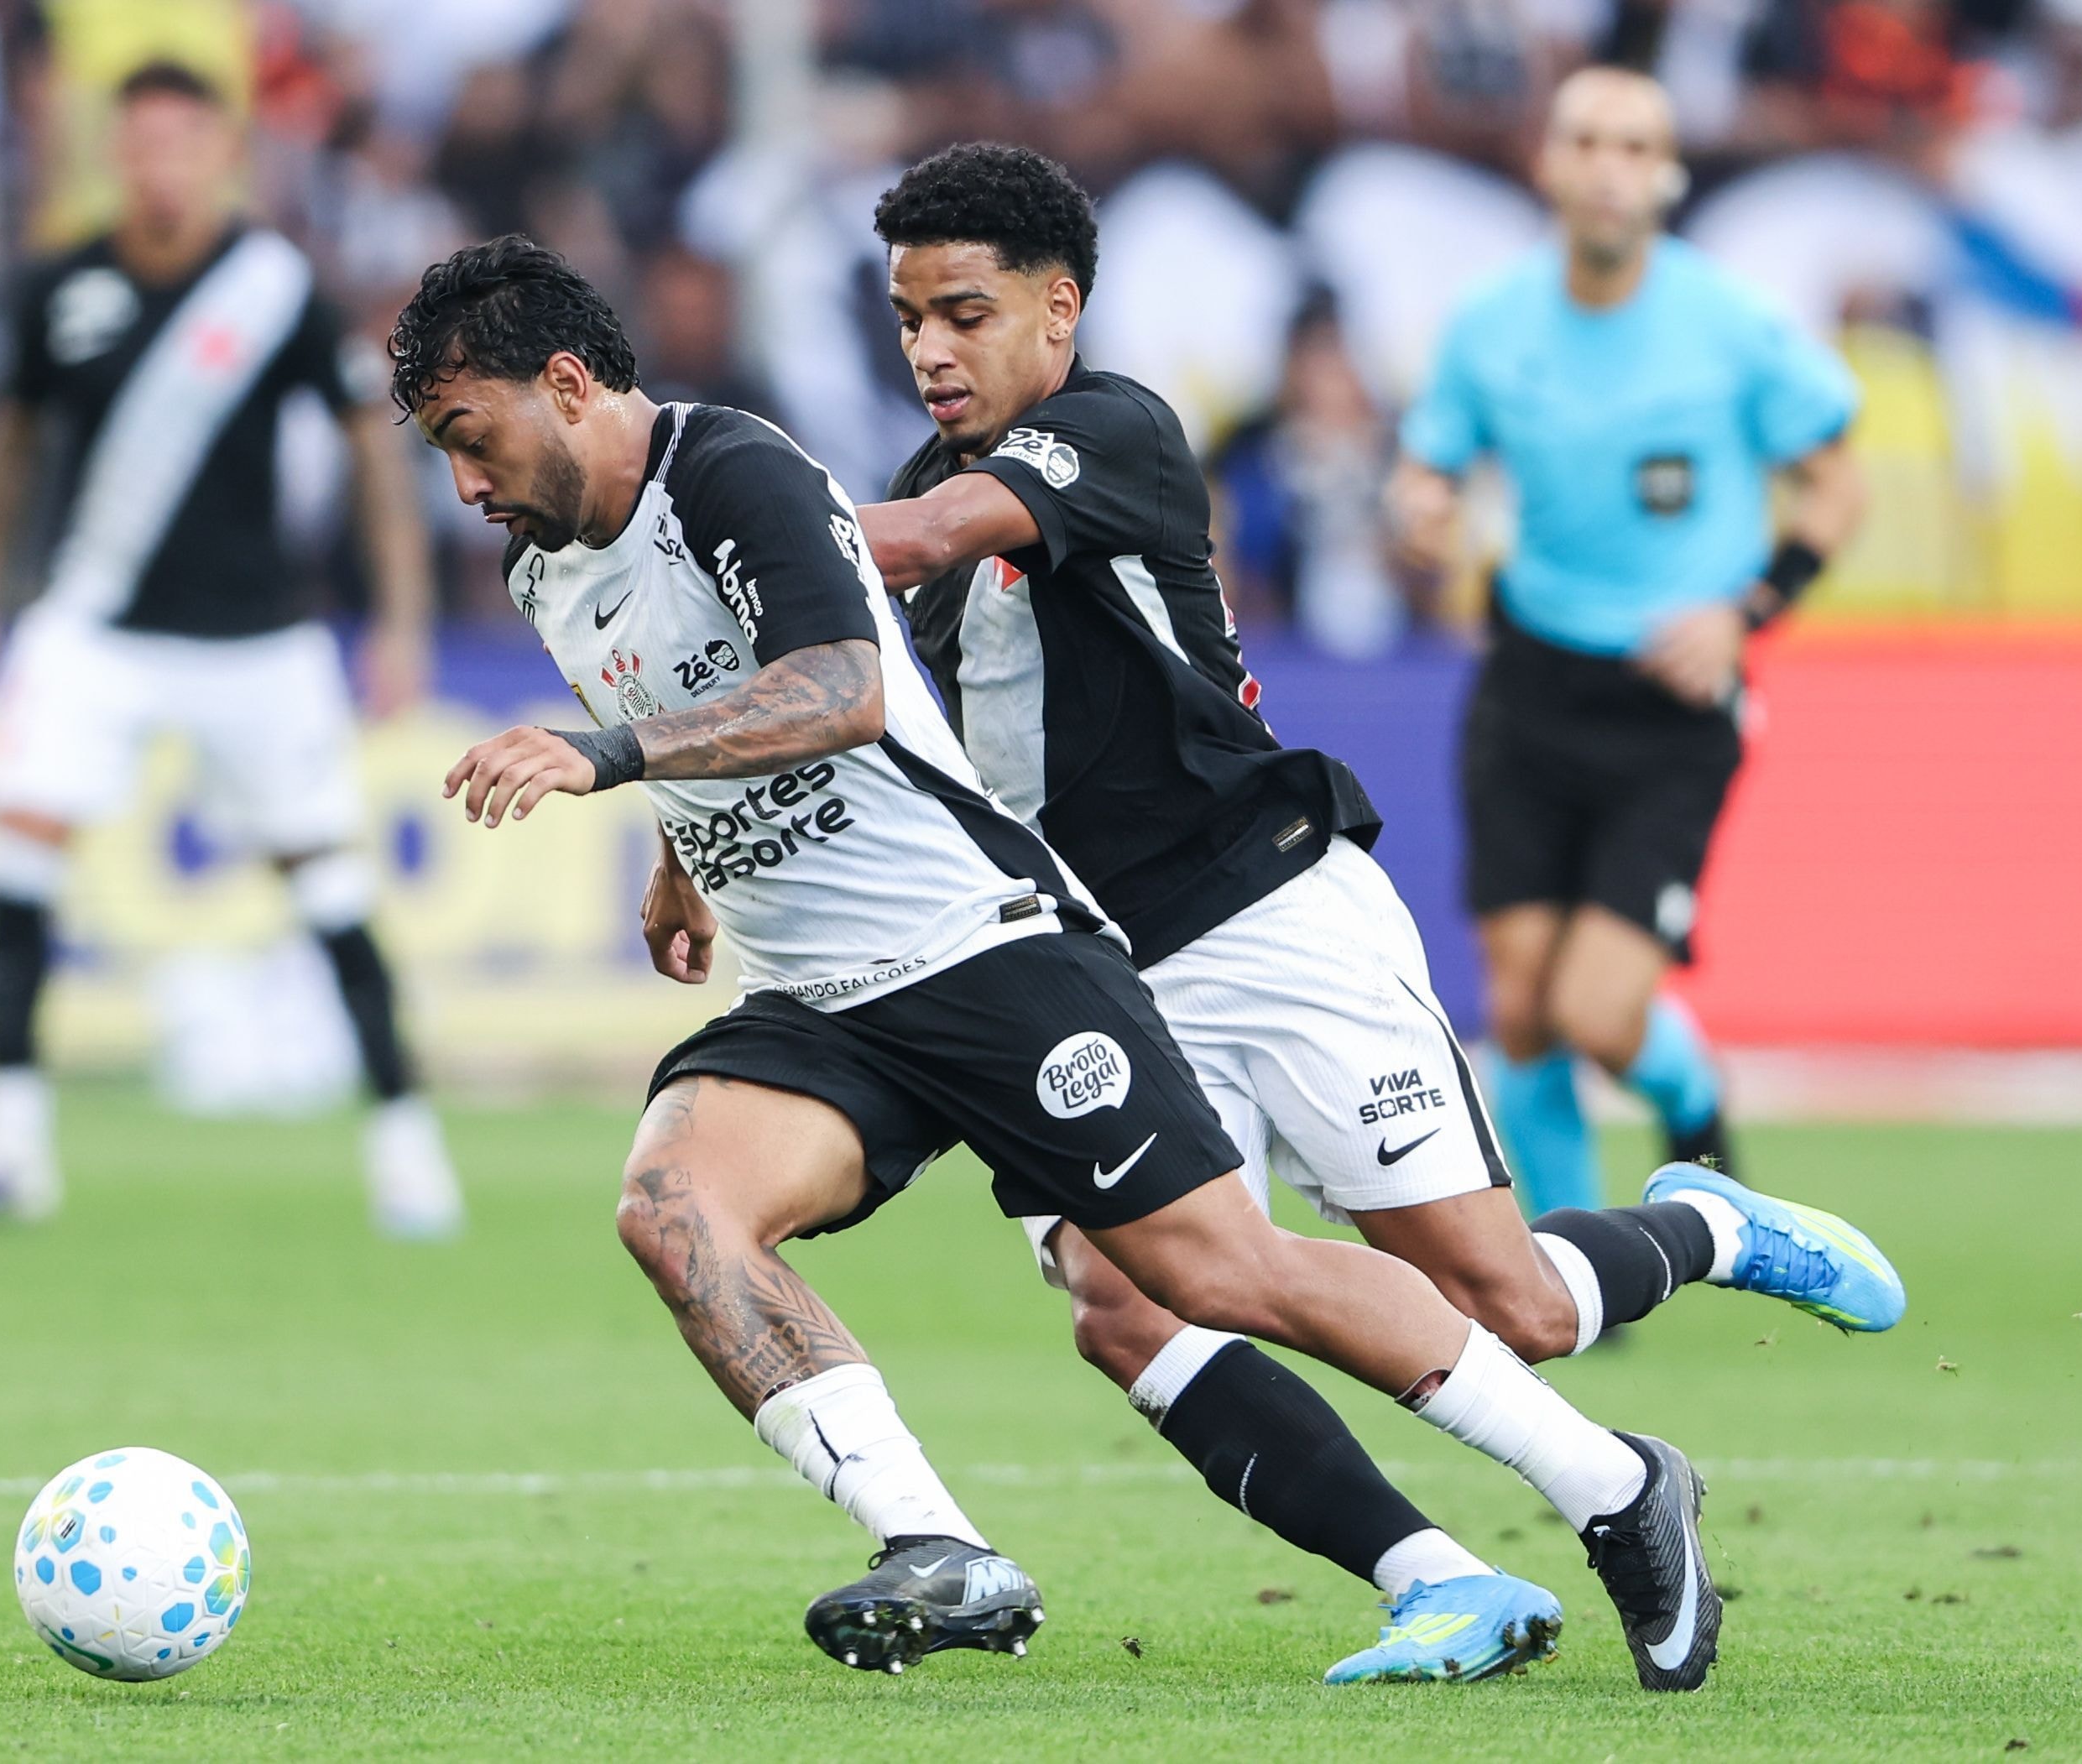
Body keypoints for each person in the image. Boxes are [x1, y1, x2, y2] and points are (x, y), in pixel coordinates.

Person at [393, 233, 1720, 1690]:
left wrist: (604, 761)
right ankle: (935, 1546)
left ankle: (1610, 1481)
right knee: (675, 1208)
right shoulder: (542, 561)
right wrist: (675, 852)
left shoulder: (737, 471)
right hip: (813, 995)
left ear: (569, 383)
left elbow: (838, 684)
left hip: (978, 948)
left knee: (1220, 1273)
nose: (463, 483)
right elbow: (701, 683)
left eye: (471, 435)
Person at [852, 140, 1906, 1689]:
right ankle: (1440, 1580)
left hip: (1269, 910)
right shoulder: (925, 501)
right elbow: (871, 693)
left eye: (961, 311)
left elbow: (924, 545)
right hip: (1102, 966)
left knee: (1515, 1307)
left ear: (1057, 306)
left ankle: (1707, 1223)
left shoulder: (1109, 433)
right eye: (904, 321)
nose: (930, 350)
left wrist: (743, 522)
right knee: (1122, 1303)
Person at [0, 60, 457, 1238]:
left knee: (326, 879)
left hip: (256, 637)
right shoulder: (60, 287)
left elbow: (371, 448)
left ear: (222, 154)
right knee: (14, 850)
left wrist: (400, 621)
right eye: (141, 144)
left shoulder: (276, 291)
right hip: (95, 627)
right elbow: (5, 455)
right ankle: (8, 1135)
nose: (160, 165)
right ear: (115, 153)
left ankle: (407, 1144)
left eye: (183, 143)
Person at [1387, 69, 1872, 1216]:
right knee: (1516, 1007)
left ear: (1667, 177)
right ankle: (1564, 1274)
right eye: (1586, 142)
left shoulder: (1731, 323)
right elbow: (1429, 466)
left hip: (1673, 699)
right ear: (1548, 166)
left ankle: (1694, 1101)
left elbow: (1838, 482)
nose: (1608, 167)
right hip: (1532, 685)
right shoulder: (1490, 324)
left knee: (1597, 1013)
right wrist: (1420, 510)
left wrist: (1746, 610)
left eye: (1634, 147)